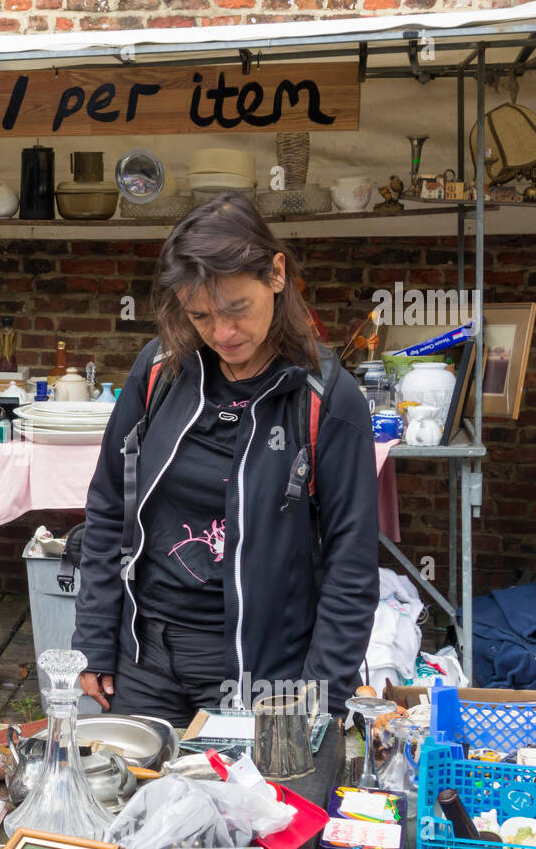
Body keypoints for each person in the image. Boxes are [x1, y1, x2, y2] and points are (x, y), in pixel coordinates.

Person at [71, 192, 378, 728]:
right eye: (201, 315)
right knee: (134, 804)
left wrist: (321, 701)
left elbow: (350, 568)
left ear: (276, 275)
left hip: (263, 672)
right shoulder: (159, 371)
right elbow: (107, 506)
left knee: (248, 813)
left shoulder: (327, 400)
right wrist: (95, 638)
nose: (222, 334)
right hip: (145, 659)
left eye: (237, 309)